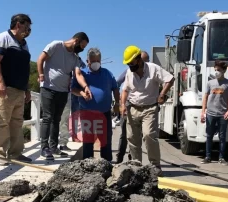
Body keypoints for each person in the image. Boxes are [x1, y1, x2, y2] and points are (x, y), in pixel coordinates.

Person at [120, 45, 174, 175]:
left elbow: (170, 79)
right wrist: (122, 104)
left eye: (131, 62)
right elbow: (125, 90)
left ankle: (155, 165)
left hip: (149, 108)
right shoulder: (129, 73)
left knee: (149, 135)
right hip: (133, 107)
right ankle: (136, 165)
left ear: (139, 59)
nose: (130, 66)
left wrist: (162, 94)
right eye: (128, 63)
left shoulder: (153, 69)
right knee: (132, 138)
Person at [37, 32, 91, 161]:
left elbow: (78, 74)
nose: (82, 49)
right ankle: (44, 148)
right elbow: (40, 59)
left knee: (57, 119)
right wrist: (41, 74)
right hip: (48, 88)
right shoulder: (56, 45)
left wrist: (85, 87)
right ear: (76, 40)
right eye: (82, 46)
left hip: (63, 91)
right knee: (47, 117)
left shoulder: (75, 58)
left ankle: (54, 147)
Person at [0, 14, 33, 165]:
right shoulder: (3, 38)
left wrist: (26, 89)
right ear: (18, 24)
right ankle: (0, 154)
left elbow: (25, 68)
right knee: (2, 122)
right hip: (5, 88)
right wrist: (0, 82)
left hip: (19, 90)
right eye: (27, 26)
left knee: (17, 123)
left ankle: (16, 153)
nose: (29, 29)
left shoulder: (24, 44)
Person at [71, 47, 120, 161]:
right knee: (88, 141)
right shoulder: (82, 74)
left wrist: (117, 103)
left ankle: (107, 164)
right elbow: (73, 89)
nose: (96, 63)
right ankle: (88, 165)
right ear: (88, 61)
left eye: (98, 61)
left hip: (104, 113)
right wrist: (82, 93)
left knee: (106, 140)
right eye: (93, 61)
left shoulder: (107, 74)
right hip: (87, 114)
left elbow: (115, 89)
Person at [115, 51, 149, 163]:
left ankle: (133, 160)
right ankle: (119, 160)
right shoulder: (129, 71)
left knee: (137, 136)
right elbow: (117, 83)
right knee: (125, 134)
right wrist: (121, 103)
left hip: (143, 107)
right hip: (129, 106)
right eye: (143, 61)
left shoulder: (149, 71)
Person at [200, 60, 228, 165]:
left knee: (222, 136)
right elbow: (205, 97)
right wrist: (203, 111)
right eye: (215, 70)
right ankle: (208, 156)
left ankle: (221, 157)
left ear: (224, 70)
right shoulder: (210, 83)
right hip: (210, 113)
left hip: (222, 113)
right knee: (209, 135)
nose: (216, 72)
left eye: (218, 70)